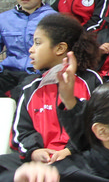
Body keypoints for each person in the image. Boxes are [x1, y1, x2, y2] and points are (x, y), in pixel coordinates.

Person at [11, 13, 102, 164]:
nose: (31, 50)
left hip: (81, 161)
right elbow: (21, 132)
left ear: (60, 48)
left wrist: (69, 151)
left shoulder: (91, 81)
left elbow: (101, 124)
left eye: (38, 43)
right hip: (41, 164)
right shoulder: (30, 88)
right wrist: (34, 152)